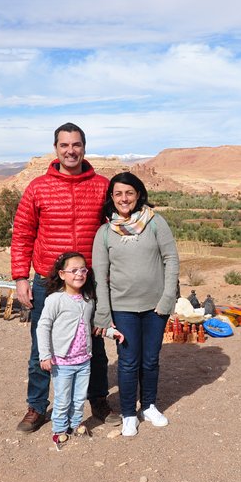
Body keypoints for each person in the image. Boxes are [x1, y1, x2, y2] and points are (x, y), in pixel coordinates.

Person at [10, 122, 118, 434]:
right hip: (48, 280)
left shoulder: (101, 186)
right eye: (64, 145)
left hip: (90, 280)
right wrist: (20, 277)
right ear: (56, 149)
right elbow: (22, 234)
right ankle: (36, 405)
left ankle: (97, 399)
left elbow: (117, 227)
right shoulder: (38, 187)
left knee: (94, 343)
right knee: (40, 345)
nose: (71, 151)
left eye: (76, 145)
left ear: (84, 147)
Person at [92, 172, 180, 437]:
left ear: (139, 194)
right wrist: (104, 312)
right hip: (123, 308)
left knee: (151, 360)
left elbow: (171, 260)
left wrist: (167, 298)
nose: (124, 198)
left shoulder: (155, 223)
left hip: (155, 307)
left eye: (129, 192)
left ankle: (149, 406)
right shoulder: (105, 233)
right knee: (129, 362)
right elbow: (100, 276)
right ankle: (129, 412)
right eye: (118, 193)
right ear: (112, 197)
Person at [36, 252, 124, 450]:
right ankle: (59, 430)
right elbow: (43, 326)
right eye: (73, 270)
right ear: (61, 274)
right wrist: (45, 355)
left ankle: (76, 424)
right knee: (62, 397)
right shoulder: (55, 300)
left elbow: (93, 325)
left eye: (83, 270)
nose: (79, 274)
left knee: (79, 397)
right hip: (62, 361)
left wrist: (112, 333)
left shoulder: (88, 300)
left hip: (84, 360)